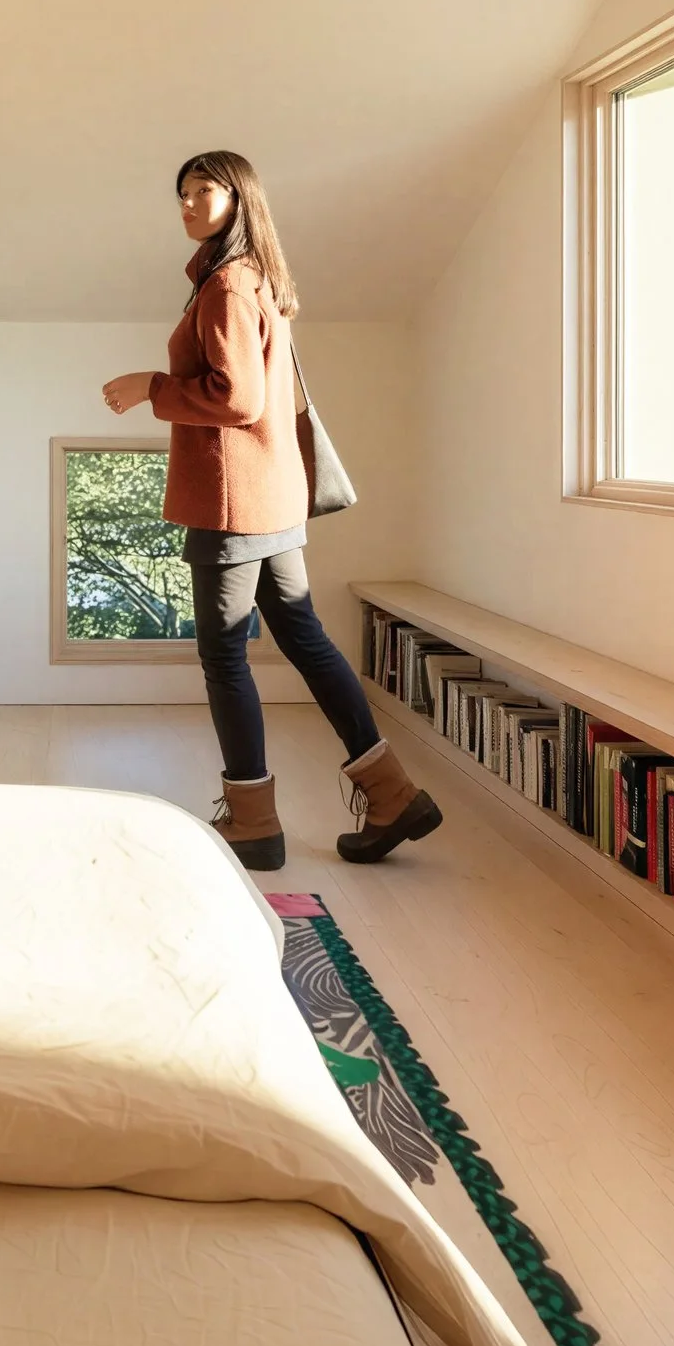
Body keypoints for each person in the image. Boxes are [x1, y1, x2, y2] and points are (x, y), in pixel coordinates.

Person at [104, 150, 441, 872]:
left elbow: (238, 400)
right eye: (182, 193)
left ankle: (253, 822)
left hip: (231, 501)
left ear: (240, 199)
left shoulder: (226, 285)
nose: (189, 203)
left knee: (224, 655)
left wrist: (151, 387)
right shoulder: (255, 277)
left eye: (205, 191)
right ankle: (392, 793)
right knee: (304, 637)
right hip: (273, 493)